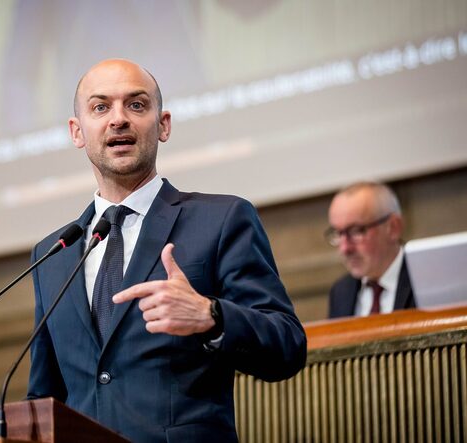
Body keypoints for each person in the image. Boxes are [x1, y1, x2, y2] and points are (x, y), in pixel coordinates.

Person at [27, 59, 306, 442]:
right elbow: (45, 397)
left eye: (137, 105)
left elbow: (287, 346)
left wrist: (211, 315)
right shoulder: (53, 254)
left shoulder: (221, 219)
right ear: (77, 132)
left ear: (163, 125)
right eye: (100, 107)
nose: (118, 119)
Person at [326, 181, 416, 318]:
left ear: (393, 227)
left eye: (356, 231)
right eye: (338, 233)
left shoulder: (426, 280)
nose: (345, 248)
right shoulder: (340, 292)